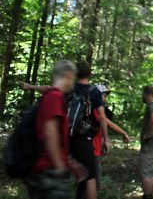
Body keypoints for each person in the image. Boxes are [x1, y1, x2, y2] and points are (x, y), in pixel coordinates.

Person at [25, 60, 76, 199]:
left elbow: (58, 137)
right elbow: (50, 132)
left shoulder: (50, 95)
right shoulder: (55, 97)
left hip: (45, 170)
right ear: (69, 75)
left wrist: (71, 162)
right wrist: (60, 167)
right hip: (47, 171)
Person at [70, 61, 110, 199]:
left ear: (75, 74)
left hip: (65, 136)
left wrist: (31, 86)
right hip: (84, 138)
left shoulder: (69, 87)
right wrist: (106, 139)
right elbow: (101, 116)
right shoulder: (94, 92)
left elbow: (49, 89)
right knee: (90, 177)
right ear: (90, 74)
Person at [92, 84, 130, 190]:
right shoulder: (95, 110)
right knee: (94, 183)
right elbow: (108, 123)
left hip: (94, 149)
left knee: (90, 182)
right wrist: (123, 133)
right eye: (104, 95)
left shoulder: (95, 109)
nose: (105, 98)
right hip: (92, 150)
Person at [139, 85, 153, 199]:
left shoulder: (152, 106)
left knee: (146, 172)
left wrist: (147, 134)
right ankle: (149, 195)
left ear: (146, 94)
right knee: (148, 171)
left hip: (150, 146)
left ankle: (148, 196)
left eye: (143, 94)